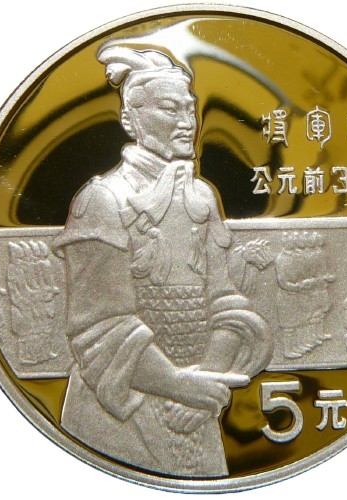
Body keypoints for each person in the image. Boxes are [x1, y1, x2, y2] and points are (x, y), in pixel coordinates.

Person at [52, 44, 271, 477]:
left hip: (196, 409)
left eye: (189, 109)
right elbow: (100, 326)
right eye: (169, 109)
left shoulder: (202, 196)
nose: (187, 122)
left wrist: (207, 381)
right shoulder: (101, 199)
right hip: (121, 408)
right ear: (129, 119)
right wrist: (176, 384)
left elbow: (226, 302)